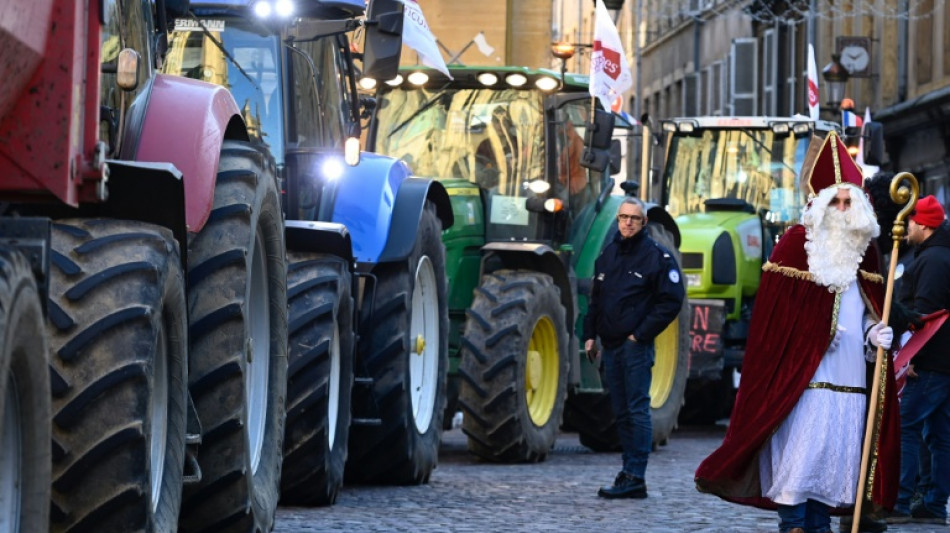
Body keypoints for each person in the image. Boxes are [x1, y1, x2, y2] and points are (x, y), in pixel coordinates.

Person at [694, 131, 901, 533]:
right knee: (798, 470)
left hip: (851, 384)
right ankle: (794, 526)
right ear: (821, 205)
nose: (842, 210)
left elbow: (866, 312)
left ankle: (817, 527)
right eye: (835, 202)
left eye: (848, 202)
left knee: (829, 476)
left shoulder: (868, 253)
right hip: (804, 384)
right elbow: (775, 322)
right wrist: (813, 334)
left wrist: (873, 335)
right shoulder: (794, 246)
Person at [583, 196, 685, 499]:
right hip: (611, 346)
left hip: (634, 347)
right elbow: (596, 299)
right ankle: (628, 471)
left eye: (634, 219)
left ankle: (636, 475)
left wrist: (639, 335)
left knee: (637, 409)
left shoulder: (657, 257)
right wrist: (590, 335)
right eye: (623, 217)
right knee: (622, 411)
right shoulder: (609, 254)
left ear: (644, 223)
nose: (628, 223)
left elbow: (671, 301)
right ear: (618, 220)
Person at [890, 194, 950, 525]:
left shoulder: (933, 260)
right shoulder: (939, 254)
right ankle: (934, 504)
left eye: (910, 221)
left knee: (907, 426)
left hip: (930, 361)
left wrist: (913, 356)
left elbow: (927, 316)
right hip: (943, 361)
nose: (906, 226)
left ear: (923, 225)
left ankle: (900, 501)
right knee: (940, 435)